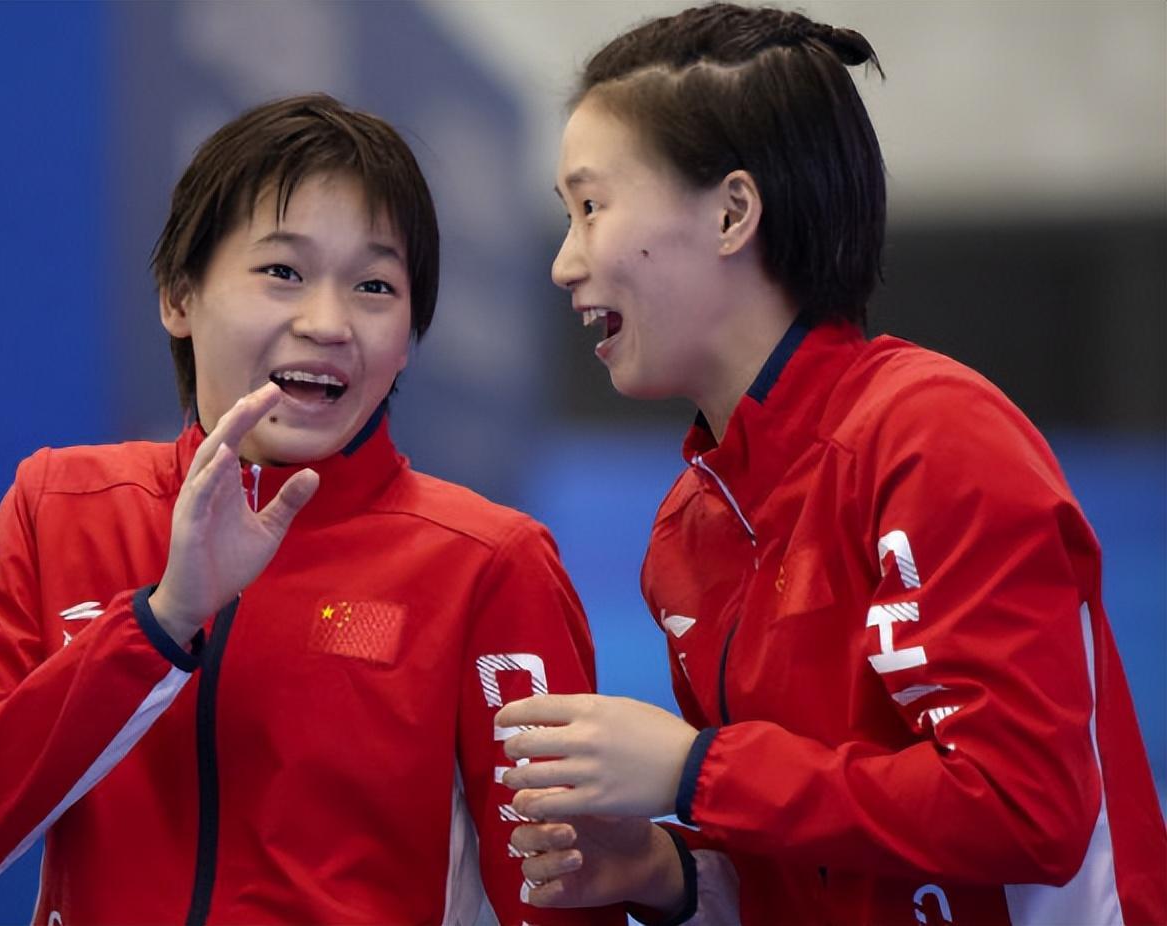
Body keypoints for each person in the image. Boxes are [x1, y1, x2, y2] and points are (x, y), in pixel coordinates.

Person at [494, 5, 1167, 925]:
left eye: (590, 207)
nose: (565, 262)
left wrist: (695, 770)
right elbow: (796, 861)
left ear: (732, 213)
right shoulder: (688, 531)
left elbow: (1027, 809)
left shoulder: (934, 436)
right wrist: (663, 869)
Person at [0, 94, 621, 926]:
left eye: (375, 286)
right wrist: (163, 622)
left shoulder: (489, 562)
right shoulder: (62, 504)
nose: (328, 323)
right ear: (179, 295)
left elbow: (564, 901)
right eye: (282, 272)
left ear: (409, 338)